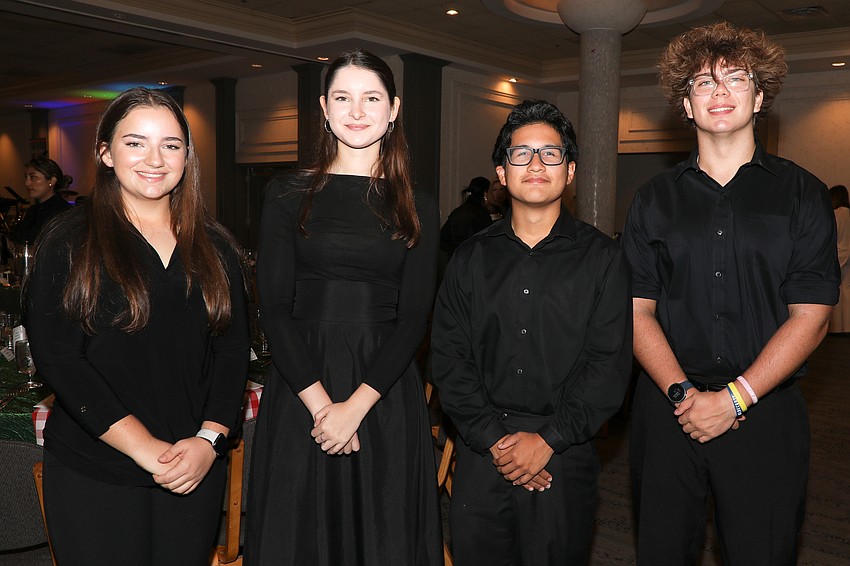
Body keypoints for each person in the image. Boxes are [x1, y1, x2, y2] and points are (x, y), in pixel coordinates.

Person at [622, 22, 839, 565]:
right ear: (686, 106)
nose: (719, 92)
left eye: (735, 79)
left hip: (765, 413)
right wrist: (682, 396)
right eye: (702, 83)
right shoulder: (652, 200)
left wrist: (736, 397)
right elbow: (634, 310)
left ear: (759, 96)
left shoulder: (803, 194)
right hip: (669, 411)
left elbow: (811, 316)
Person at [24, 87, 250, 565]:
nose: (155, 159)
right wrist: (146, 449)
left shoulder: (216, 245)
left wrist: (210, 442)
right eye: (135, 143)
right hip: (95, 469)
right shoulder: (67, 240)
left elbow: (232, 352)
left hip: (194, 468)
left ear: (187, 156)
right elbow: (59, 358)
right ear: (105, 153)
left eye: (170, 144)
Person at [244, 49, 441, 565]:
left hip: (382, 390)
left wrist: (352, 409)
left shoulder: (418, 202)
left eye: (371, 98)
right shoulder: (286, 193)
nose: (357, 111)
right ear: (324, 110)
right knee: (298, 533)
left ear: (393, 108)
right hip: (302, 385)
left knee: (384, 533)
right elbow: (275, 309)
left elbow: (415, 317)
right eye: (343, 98)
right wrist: (322, 408)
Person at [431, 99, 633, 566]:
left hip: (565, 450)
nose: (536, 164)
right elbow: (448, 356)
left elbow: (608, 366)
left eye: (551, 153)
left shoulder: (603, 260)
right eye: (521, 154)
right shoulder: (470, 259)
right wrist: (496, 441)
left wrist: (546, 440)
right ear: (502, 173)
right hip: (483, 451)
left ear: (571, 170)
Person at [13, 156, 72, 244]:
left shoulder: (63, 212)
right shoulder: (32, 211)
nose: (26, 183)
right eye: (26, 177)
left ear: (52, 181)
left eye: (33, 177)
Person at [439, 175, 493, 256]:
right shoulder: (481, 214)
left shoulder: (458, 211)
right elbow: (486, 241)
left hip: (453, 258)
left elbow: (444, 237)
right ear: (485, 193)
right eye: (491, 191)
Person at [829, 184, 850, 333]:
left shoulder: (835, 214)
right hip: (849, 254)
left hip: (837, 253)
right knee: (847, 289)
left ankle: (836, 329)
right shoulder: (848, 213)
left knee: (835, 289)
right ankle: (848, 327)